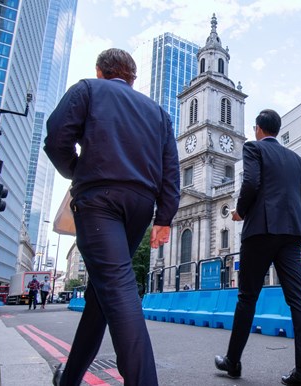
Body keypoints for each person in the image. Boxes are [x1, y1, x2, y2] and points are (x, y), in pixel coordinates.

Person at [44, 48, 180, 386]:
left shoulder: (88, 89)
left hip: (99, 201)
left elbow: (56, 139)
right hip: (140, 207)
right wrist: (163, 217)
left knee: (117, 287)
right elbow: (171, 171)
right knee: (100, 296)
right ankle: (69, 378)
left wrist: (78, 171)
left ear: (100, 70)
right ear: (133, 78)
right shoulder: (159, 114)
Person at [215, 109, 301, 385]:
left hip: (260, 230)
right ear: (278, 130)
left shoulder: (253, 148)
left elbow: (251, 182)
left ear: (258, 128)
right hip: (292, 232)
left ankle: (233, 362)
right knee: (298, 297)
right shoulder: (296, 159)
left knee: (247, 297)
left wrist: (241, 211)